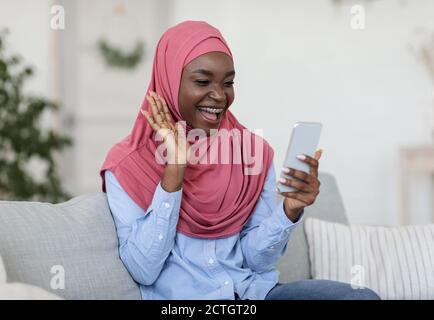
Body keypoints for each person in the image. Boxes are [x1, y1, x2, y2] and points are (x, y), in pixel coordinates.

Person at [99, 21, 380, 300]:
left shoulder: (251, 152)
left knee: (360, 298)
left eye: (228, 82)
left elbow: (258, 262)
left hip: (254, 294)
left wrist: (290, 210)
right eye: (202, 81)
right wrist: (175, 170)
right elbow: (143, 270)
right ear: (170, 81)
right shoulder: (127, 165)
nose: (220, 96)